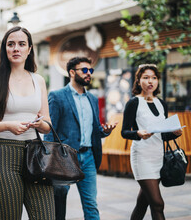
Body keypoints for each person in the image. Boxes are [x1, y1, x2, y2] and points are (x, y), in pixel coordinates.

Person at [0, 26, 55, 220]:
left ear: (29, 49)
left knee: (46, 216)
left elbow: (48, 124)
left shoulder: (38, 80)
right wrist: (8, 125)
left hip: (35, 153)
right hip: (3, 155)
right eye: (11, 44)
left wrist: (39, 124)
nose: (16, 48)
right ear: (5, 49)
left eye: (21, 44)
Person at [45, 57, 117, 220]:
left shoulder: (91, 98)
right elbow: (50, 129)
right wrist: (50, 161)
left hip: (89, 158)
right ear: (72, 72)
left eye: (90, 70)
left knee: (91, 205)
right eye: (84, 70)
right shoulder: (57, 96)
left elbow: (95, 129)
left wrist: (105, 131)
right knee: (58, 204)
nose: (88, 74)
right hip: (65, 158)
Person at [121, 64, 182, 220]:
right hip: (142, 157)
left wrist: (174, 134)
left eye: (154, 78)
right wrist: (138, 133)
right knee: (157, 203)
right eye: (146, 77)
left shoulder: (162, 104)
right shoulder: (134, 103)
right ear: (139, 80)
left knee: (143, 204)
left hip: (158, 157)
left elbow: (162, 135)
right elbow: (124, 132)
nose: (150, 81)